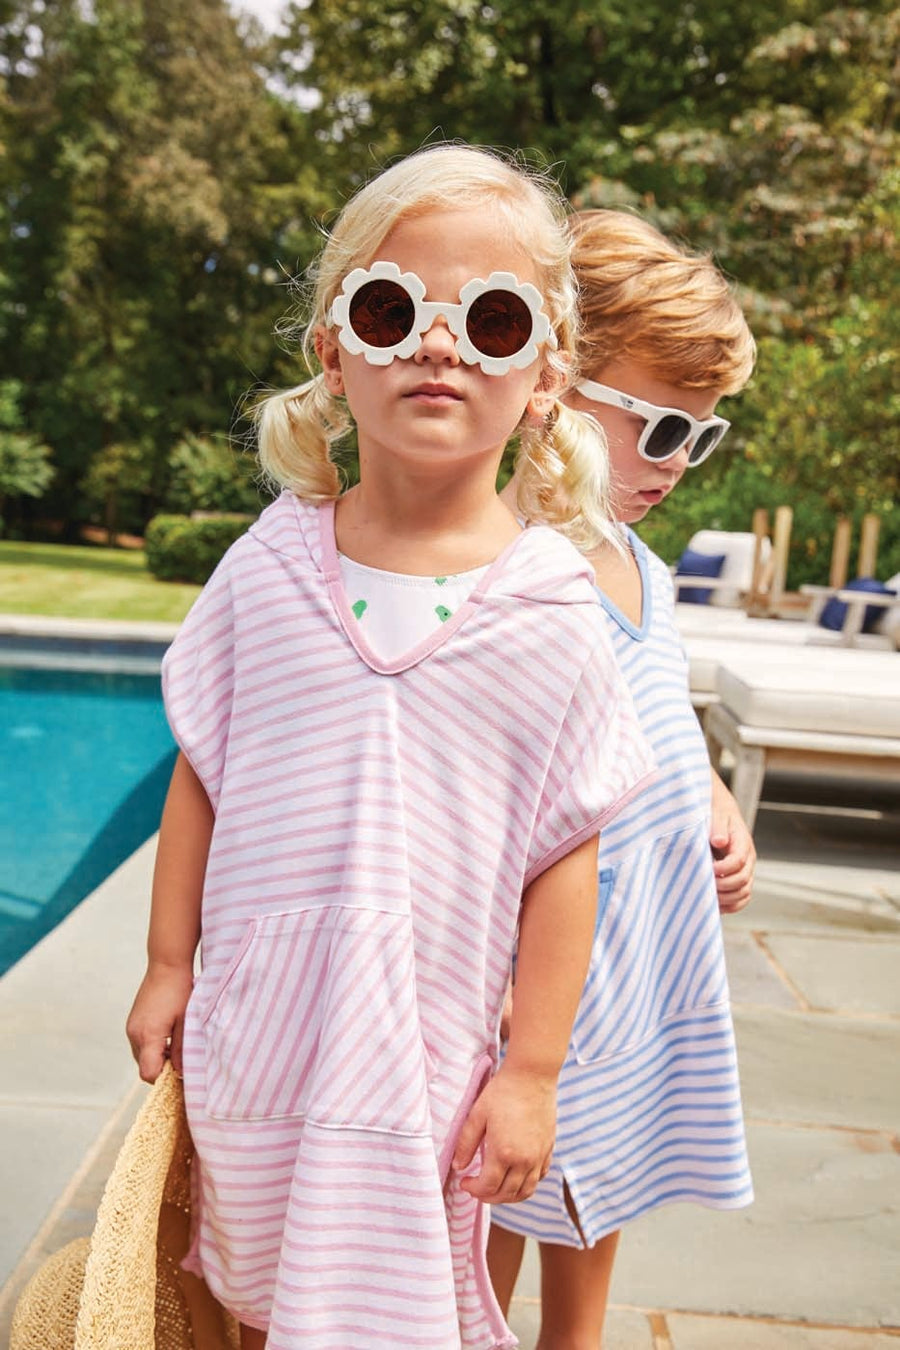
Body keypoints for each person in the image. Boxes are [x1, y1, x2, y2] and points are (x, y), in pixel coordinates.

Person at [125, 150, 656, 1350]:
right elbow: (203, 771)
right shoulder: (268, 570)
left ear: (546, 372)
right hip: (263, 1036)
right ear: (335, 350)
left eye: (493, 319)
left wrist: (533, 1072)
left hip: (424, 1054)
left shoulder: (548, 609)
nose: (439, 346)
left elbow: (566, 856)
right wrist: (167, 964)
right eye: (391, 310)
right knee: (253, 1288)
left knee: (388, 1307)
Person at [490, 208, 757, 1347]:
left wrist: (711, 797)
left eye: (700, 434)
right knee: (495, 1195)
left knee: (604, 1173)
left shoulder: (642, 564)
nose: (676, 461)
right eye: (657, 425)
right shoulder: (508, 565)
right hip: (540, 968)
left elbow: (659, 712)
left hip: (636, 959)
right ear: (552, 381)